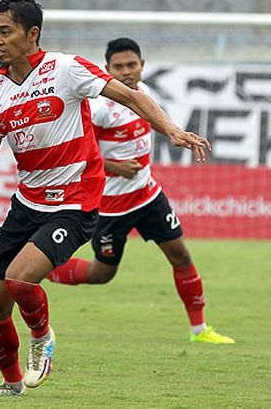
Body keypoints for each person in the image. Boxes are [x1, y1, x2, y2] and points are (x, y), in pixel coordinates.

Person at [0, 0, 210, 396]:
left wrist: (170, 129)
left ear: (31, 34)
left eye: (5, 31)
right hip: (27, 203)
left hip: (74, 202)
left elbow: (131, 96)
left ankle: (42, 337)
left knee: (19, 280)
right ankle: (11, 385)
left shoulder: (65, 69)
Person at [45, 38, 234, 344]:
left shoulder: (143, 93)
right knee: (102, 273)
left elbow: (155, 119)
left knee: (181, 255)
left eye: (131, 65)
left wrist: (176, 133)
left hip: (147, 195)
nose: (126, 72)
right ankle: (46, 269)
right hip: (110, 206)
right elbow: (76, 151)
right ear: (106, 70)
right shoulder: (100, 108)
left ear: (142, 66)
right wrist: (112, 166)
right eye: (118, 67)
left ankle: (199, 330)